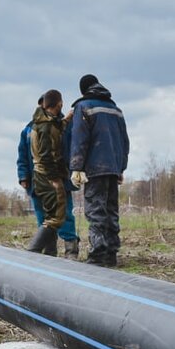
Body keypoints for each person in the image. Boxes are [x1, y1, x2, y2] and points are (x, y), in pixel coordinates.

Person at [69, 74, 129, 266]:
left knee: (95, 211)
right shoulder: (116, 110)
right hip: (113, 167)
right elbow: (124, 142)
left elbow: (79, 138)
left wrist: (77, 167)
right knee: (111, 211)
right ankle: (111, 253)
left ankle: (98, 255)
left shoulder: (83, 107)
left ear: (83, 90)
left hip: (95, 168)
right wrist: (121, 167)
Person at [18, 97, 81, 256]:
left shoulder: (64, 126)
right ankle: (48, 252)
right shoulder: (29, 129)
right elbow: (23, 156)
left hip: (60, 179)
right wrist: (23, 176)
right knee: (44, 217)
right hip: (41, 180)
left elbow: (72, 148)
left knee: (64, 215)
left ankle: (70, 250)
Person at [26, 89, 69, 256]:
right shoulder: (45, 127)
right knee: (56, 218)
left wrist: (66, 120)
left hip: (39, 175)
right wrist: (55, 179)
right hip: (47, 176)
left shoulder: (41, 121)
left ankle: (50, 255)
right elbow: (46, 155)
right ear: (59, 104)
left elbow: (55, 129)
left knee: (49, 216)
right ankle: (32, 252)